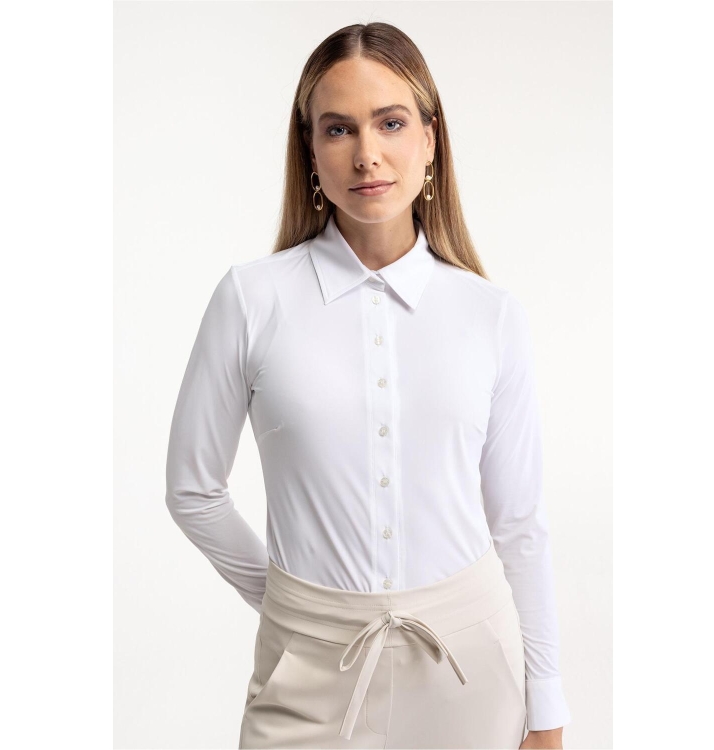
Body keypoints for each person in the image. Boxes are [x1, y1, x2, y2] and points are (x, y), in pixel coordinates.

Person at [165, 21, 571, 750]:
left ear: (430, 138)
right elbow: (192, 489)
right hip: (307, 675)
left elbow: (519, 524)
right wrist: (290, 605)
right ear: (309, 150)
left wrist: (545, 709)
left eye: (390, 122)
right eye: (338, 128)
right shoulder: (251, 300)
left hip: (469, 672)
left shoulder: (490, 315)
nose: (367, 153)